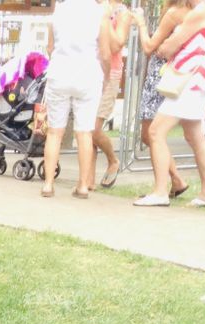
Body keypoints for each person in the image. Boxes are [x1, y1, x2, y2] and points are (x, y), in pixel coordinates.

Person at [132, 0, 205, 206]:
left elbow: (168, 46)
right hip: (197, 78)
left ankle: (160, 192)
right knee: (195, 136)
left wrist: (167, 45)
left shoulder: (201, 11)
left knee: (155, 132)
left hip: (188, 78)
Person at [41, 0, 112, 197]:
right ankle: (82, 185)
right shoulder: (99, 13)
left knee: (55, 132)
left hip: (59, 72)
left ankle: (48, 184)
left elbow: (50, 47)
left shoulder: (59, 11)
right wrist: (105, 77)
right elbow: (105, 53)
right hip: (87, 74)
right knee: (84, 132)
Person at [130, 0, 196, 198]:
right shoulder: (194, 12)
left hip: (161, 75)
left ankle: (168, 184)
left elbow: (149, 46)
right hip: (177, 74)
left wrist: (141, 23)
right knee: (155, 133)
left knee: (151, 133)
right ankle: (175, 180)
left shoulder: (175, 13)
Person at [92, 0, 132, 187]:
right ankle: (87, 179)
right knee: (85, 130)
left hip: (110, 74)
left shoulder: (122, 12)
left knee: (94, 128)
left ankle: (112, 160)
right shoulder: (93, 6)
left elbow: (116, 45)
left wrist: (106, 18)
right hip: (88, 71)